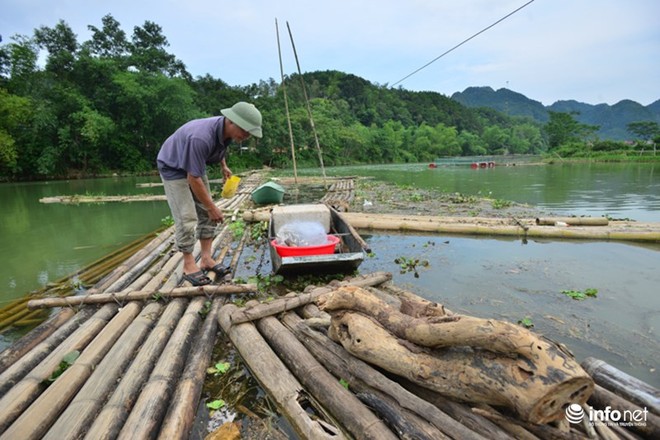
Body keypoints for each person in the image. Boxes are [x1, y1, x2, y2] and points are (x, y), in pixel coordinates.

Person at [157, 101, 263, 286]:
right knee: (187, 215)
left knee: (206, 213)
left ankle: (206, 259)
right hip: (173, 167)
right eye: (245, 131)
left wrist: (223, 166)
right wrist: (212, 207)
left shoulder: (226, 133)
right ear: (231, 121)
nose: (246, 136)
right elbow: (193, 178)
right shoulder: (201, 137)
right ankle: (189, 264)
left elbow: (218, 149)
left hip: (193, 166)